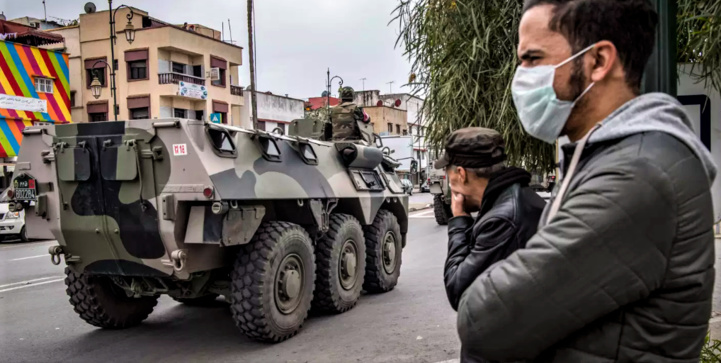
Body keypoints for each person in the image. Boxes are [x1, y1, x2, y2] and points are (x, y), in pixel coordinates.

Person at [456, 1, 717, 362]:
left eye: (532, 58)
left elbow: (483, 319)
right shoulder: (615, 156)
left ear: (598, 61)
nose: (521, 76)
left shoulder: (638, 174)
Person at [437, 127, 546, 363]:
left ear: (461, 174)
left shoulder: (502, 220)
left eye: (448, 173)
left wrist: (458, 221)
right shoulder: (514, 198)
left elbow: (458, 290)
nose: (449, 183)